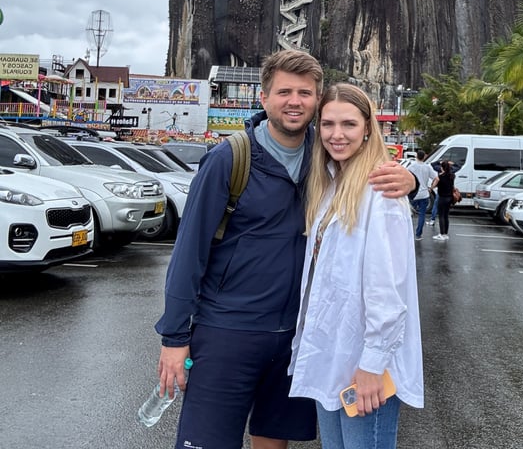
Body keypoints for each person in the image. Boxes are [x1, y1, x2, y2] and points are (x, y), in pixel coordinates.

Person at [153, 50, 418, 449]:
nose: (295, 101)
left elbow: (374, 180)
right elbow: (188, 254)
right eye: (284, 92)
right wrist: (174, 337)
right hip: (229, 331)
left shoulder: (326, 159)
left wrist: (412, 179)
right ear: (264, 98)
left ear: (317, 101)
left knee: (273, 441)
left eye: (305, 93)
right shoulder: (230, 159)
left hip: (295, 339)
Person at [288, 83, 424, 449]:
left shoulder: (380, 191)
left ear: (367, 128)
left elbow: (388, 290)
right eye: (328, 124)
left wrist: (372, 365)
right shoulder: (330, 184)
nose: (337, 134)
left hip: (365, 368)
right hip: (332, 357)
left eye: (348, 124)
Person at [409, 149, 438, 240]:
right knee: (422, 215)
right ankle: (418, 234)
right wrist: (431, 188)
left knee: (409, 214)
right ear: (424, 157)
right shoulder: (427, 167)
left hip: (414, 194)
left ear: (416, 156)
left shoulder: (412, 166)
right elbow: (436, 179)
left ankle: (407, 233)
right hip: (424, 194)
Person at [429, 159, 455, 240]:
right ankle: (445, 234)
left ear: (442, 168)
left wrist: (431, 188)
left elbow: (433, 185)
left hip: (442, 197)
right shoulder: (452, 176)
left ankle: (441, 234)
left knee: (441, 216)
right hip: (449, 197)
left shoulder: (440, 177)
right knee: (446, 216)